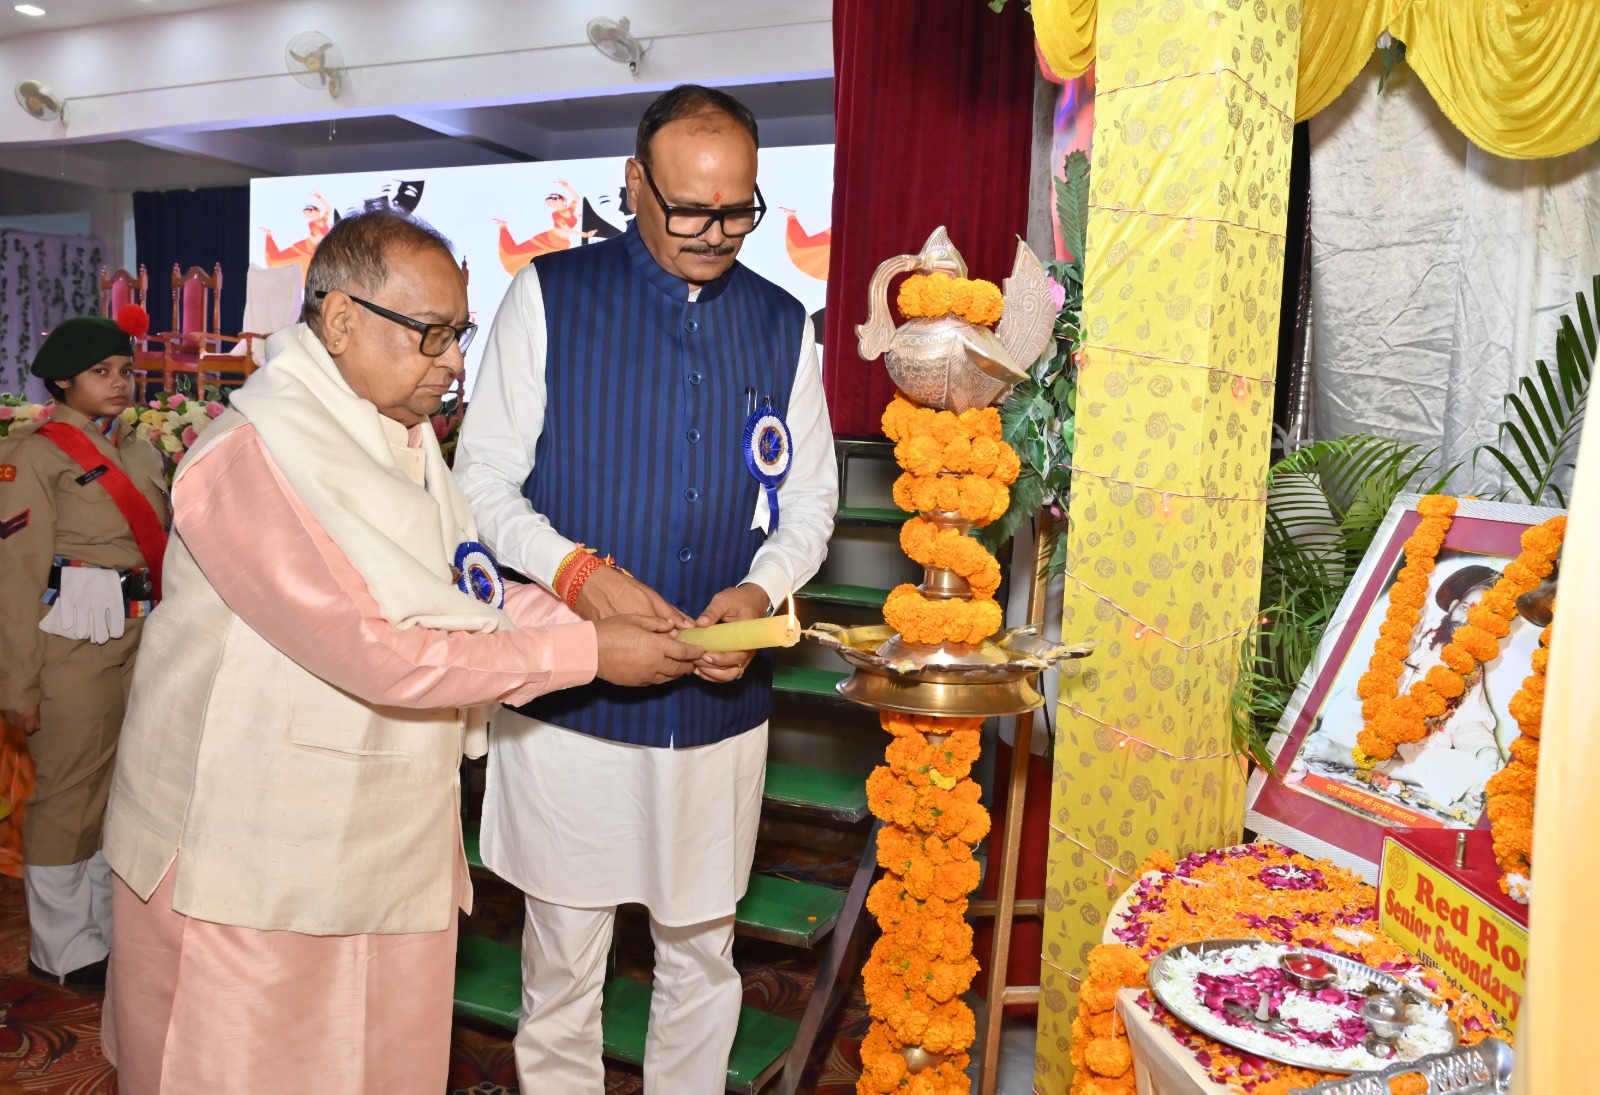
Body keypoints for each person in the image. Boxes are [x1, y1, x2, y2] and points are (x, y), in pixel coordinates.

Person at [100, 211, 703, 1095]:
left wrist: (605, 612)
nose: (454, 360)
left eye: (459, 334)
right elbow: (374, 647)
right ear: (342, 320)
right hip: (254, 853)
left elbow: (464, 598)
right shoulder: (254, 457)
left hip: (384, 837)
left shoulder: (402, 443)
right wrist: (586, 652)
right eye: (431, 334)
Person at [454, 83, 838, 1093]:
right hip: (573, 698)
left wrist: (760, 590)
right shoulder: (551, 294)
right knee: (563, 963)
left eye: (738, 211)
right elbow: (480, 480)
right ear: (632, 183)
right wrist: (575, 574)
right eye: (689, 210)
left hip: (719, 706)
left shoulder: (780, 321)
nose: (716, 234)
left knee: (703, 955)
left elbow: (810, 501)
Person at [0, 309, 167, 988]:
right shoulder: (34, 456)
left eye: (126, 370)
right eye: (101, 371)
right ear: (64, 380)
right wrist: (17, 684)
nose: (119, 382)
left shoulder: (141, 451)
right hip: (68, 645)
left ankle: (100, 930)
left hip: (140, 635)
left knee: (117, 790)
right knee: (66, 793)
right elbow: (15, 576)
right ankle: (62, 947)